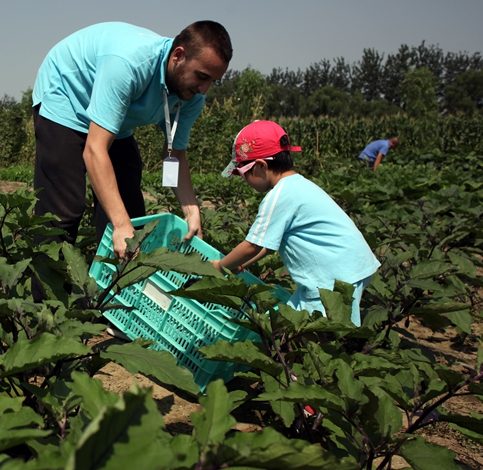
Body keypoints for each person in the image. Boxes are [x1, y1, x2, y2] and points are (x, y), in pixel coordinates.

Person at [31, 21, 232, 260]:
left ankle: (108, 292)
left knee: (132, 215)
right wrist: (119, 224)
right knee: (63, 211)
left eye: (213, 81)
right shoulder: (129, 65)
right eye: (202, 76)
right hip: (69, 98)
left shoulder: (192, 96)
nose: (204, 90)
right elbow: (95, 150)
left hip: (114, 121)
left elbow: (175, 155)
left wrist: (191, 212)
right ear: (179, 55)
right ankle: (47, 296)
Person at [211, 120, 380, 326]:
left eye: (242, 173)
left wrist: (220, 266)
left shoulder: (280, 195)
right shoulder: (299, 185)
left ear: (261, 167)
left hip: (331, 280)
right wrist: (241, 265)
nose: (243, 179)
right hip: (351, 267)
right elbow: (268, 245)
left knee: (312, 334)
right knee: (291, 322)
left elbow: (252, 245)